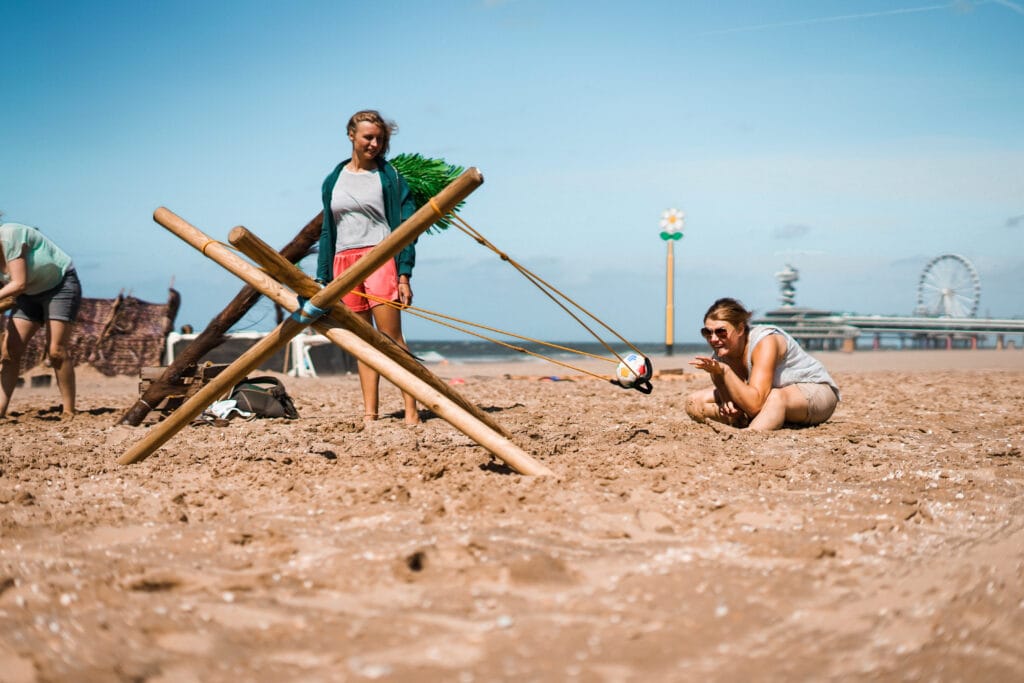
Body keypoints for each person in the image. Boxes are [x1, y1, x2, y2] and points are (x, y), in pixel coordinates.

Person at [316, 110, 420, 426]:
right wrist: (323, 276)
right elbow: (328, 230)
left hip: (379, 257)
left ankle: (412, 410)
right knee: (361, 342)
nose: (374, 144)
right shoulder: (333, 179)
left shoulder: (390, 177)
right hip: (343, 263)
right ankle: (370, 413)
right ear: (351, 135)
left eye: (379, 139)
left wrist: (404, 274)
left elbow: (407, 227)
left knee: (391, 338)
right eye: (368, 137)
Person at [685, 297, 840, 431]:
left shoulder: (765, 341)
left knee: (776, 397)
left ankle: (751, 434)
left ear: (740, 329)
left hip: (815, 393)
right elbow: (735, 402)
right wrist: (732, 408)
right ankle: (763, 420)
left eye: (721, 332)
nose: (713, 339)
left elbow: (754, 405)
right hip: (766, 396)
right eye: (707, 333)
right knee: (694, 401)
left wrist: (725, 371)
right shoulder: (719, 358)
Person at [0, 219, 82, 419]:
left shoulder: (10, 234)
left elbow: (18, 283)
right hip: (27, 295)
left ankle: (69, 410)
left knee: (56, 351)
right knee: (9, 352)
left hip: (60, 285)